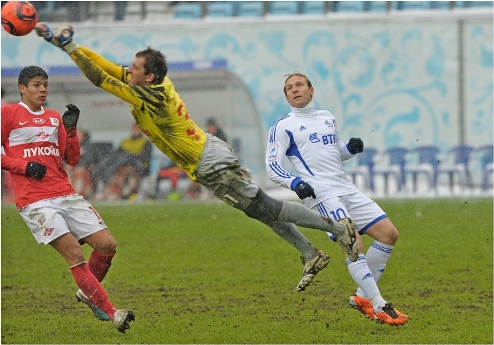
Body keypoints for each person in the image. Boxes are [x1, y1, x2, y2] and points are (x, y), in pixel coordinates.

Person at [34, 22, 360, 293]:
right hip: (205, 162)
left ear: (147, 76)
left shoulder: (148, 94)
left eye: (134, 68)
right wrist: (70, 43)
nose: (128, 70)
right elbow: (107, 67)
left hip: (210, 160)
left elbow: (100, 78)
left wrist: (69, 48)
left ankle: (339, 228)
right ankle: (309, 254)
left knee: (263, 205)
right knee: (259, 211)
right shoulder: (152, 83)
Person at [265, 72, 409, 326]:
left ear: (312, 90)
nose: (294, 90)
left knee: (388, 234)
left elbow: (337, 153)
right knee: (353, 243)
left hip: (346, 188)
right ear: (286, 96)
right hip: (321, 195)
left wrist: (350, 149)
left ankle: (363, 297)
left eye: (299, 85)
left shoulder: (326, 118)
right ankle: (380, 305)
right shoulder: (282, 126)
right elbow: (272, 166)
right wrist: (295, 183)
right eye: (289, 88)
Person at [0, 66, 134, 333]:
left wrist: (70, 130)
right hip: (34, 200)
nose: (43, 90)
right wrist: (23, 167)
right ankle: (113, 311)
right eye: (37, 85)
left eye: (45, 85)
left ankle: (87, 294)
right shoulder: (8, 113)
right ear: (22, 88)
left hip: (64, 192)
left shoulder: (52, 117)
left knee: (107, 245)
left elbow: (71, 158)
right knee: (74, 253)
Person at [92, 122, 152, 200]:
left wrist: (130, 157)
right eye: (134, 128)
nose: (135, 130)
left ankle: (118, 193)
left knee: (124, 171)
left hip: (137, 166)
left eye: (137, 128)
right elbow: (117, 155)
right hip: (122, 164)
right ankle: (108, 192)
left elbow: (145, 157)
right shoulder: (125, 141)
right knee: (112, 171)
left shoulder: (145, 142)